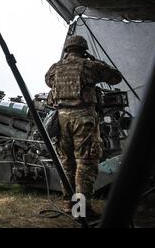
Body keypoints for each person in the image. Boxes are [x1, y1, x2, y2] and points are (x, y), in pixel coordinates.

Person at [45, 36, 122, 217]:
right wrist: (95, 60)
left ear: (67, 50)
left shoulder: (55, 68)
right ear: (83, 49)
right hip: (83, 118)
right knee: (85, 163)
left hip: (61, 118)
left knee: (67, 162)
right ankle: (81, 210)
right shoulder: (90, 66)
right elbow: (115, 77)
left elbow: (48, 82)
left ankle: (68, 204)